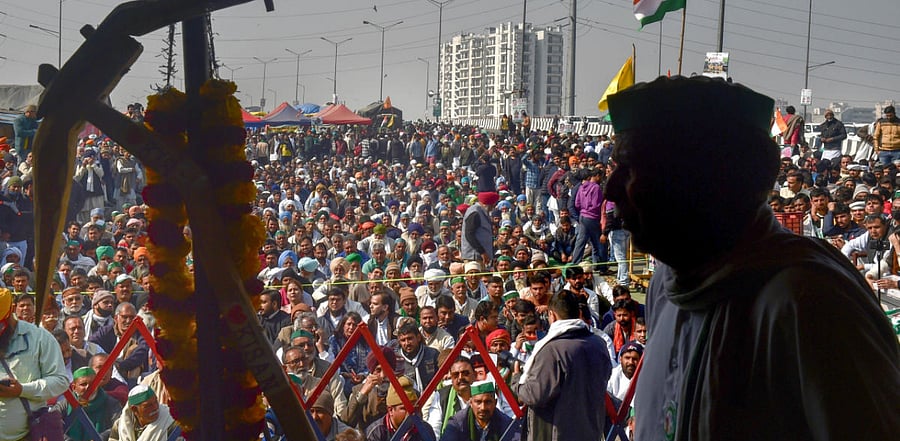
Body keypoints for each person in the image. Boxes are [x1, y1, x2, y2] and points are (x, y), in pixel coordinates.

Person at [604, 75, 899, 440]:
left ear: (704, 179)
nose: (611, 188)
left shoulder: (808, 302)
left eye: (631, 168)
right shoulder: (665, 286)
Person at [512, 289, 611, 440]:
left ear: (551, 314)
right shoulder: (599, 344)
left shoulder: (552, 350)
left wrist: (516, 379)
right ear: (577, 313)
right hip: (591, 430)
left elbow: (535, 394)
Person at [0, 288, 70, 441]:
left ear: (11, 311)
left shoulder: (39, 338)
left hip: (28, 435)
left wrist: (22, 390)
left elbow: (60, 381)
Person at [439, 380, 518, 441]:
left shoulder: (507, 424)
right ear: (470, 402)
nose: (483, 408)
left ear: (495, 402)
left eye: (488, 402)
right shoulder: (457, 423)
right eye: (478, 402)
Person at [110, 385, 180, 441]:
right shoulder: (120, 425)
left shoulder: (172, 423)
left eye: (156, 401)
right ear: (134, 409)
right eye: (148, 406)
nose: (155, 407)